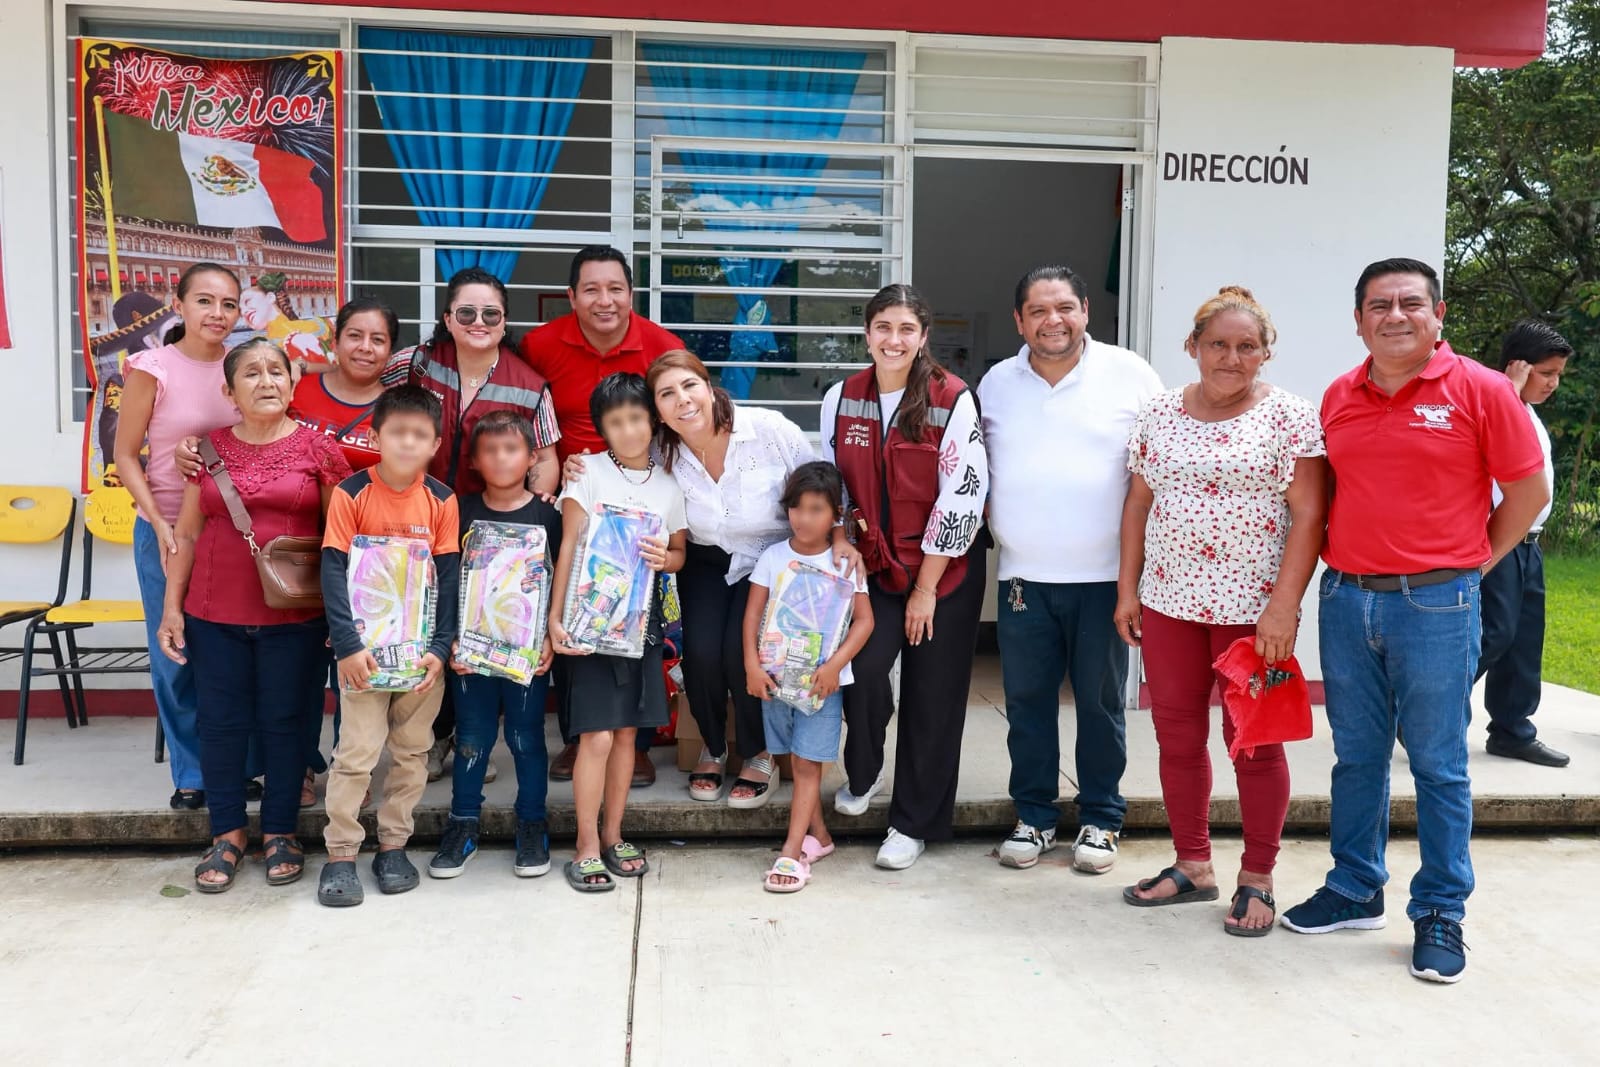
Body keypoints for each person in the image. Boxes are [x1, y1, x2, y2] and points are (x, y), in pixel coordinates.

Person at [1280, 258, 1547, 984]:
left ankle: (1439, 909)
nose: (1394, 315)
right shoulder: (1339, 395)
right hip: (1348, 596)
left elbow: (1527, 492)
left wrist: (1472, 564)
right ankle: (1354, 884)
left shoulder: (1484, 391)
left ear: (1439, 314)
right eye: (1378, 305)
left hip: (1437, 602)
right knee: (1357, 755)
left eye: (1409, 303)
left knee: (1437, 761)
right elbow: (1323, 497)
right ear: (1358, 318)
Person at [1115, 287, 1327, 935]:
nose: (1231, 358)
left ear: (1265, 353)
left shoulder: (1290, 416)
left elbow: (1310, 512)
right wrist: (1128, 588)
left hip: (1253, 614)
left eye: (1246, 346)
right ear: (1193, 347)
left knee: (1254, 744)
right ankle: (1193, 864)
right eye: (1218, 344)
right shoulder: (1158, 412)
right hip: (1170, 602)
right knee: (1177, 735)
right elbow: (1138, 503)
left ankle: (1257, 876)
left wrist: (1284, 606)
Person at [979, 265, 1163, 877]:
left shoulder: (1130, 373)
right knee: (1027, 702)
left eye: (1064, 307)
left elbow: (1157, 469)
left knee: (1101, 703)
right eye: (1037, 310)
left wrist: (1138, 580)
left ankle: (1102, 818)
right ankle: (1033, 815)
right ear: (1019, 320)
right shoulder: (997, 382)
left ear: (1085, 309)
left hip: (1107, 579)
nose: (1052, 320)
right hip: (1024, 577)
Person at [155, 339, 352, 893]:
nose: (266, 381)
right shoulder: (208, 451)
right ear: (229, 391)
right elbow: (188, 533)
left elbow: (342, 540)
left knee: (288, 721)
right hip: (213, 611)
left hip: (297, 615)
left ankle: (282, 831)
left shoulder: (320, 450)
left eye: (277, 372)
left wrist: (345, 616)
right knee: (219, 722)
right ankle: (227, 831)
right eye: (252, 374)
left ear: (293, 384)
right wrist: (173, 608)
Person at [820, 284, 990, 871]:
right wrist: (841, 534)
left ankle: (914, 823)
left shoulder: (951, 398)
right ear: (866, 334)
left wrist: (926, 589)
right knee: (863, 670)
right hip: (873, 567)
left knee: (933, 697)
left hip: (944, 572)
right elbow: (832, 482)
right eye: (883, 327)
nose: (894, 340)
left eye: (906, 330)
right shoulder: (843, 396)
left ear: (922, 338)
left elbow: (962, 497)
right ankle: (863, 772)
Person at [386, 267, 561, 782]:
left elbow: (546, 453)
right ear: (448, 318)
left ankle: (467, 734)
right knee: (427, 622)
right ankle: (430, 737)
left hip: (487, 523)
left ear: (505, 321)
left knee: (474, 619)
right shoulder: (418, 362)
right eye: (467, 312)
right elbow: (362, 399)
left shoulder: (529, 385)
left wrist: (538, 499)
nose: (479, 321)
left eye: (491, 313)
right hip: (414, 516)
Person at [520, 246, 686, 785]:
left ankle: (631, 740)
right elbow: (526, 415)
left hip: (643, 500)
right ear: (571, 297)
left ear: (631, 294)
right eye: (591, 289)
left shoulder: (662, 346)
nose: (604, 300)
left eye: (615, 288)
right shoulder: (541, 344)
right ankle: (579, 734)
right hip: (576, 494)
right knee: (574, 613)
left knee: (640, 617)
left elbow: (685, 412)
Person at [316, 385, 461, 907]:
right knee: (356, 752)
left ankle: (394, 844)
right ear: (375, 437)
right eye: (396, 433)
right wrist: (349, 646)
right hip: (364, 657)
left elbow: (448, 577)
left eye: (419, 435)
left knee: (412, 751)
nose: (407, 443)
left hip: (421, 661)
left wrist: (440, 650)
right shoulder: (352, 494)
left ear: (434, 443)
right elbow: (332, 571)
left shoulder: (442, 500)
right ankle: (341, 852)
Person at [549, 373, 688, 892]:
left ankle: (613, 833)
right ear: (602, 428)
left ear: (652, 421)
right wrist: (555, 618)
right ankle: (585, 843)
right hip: (588, 622)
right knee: (598, 735)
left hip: (639, 624)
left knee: (628, 733)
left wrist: (665, 556)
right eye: (615, 421)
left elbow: (678, 553)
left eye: (636, 418)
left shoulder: (669, 485)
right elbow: (567, 546)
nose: (627, 430)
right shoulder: (586, 472)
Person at [113, 262, 244, 810]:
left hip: (233, 533)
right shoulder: (152, 367)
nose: (218, 314)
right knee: (175, 652)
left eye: (229, 304)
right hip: (165, 530)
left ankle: (245, 766)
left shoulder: (246, 367)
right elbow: (124, 455)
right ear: (181, 304)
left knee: (238, 655)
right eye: (206, 301)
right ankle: (192, 773)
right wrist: (159, 522)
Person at [429, 412, 561, 881]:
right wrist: (449, 642)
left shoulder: (549, 515)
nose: (501, 457)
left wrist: (548, 633)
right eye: (490, 450)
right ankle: (463, 824)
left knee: (526, 738)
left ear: (530, 457)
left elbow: (559, 581)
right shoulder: (459, 510)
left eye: (511, 449)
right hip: (471, 655)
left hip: (528, 655)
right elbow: (442, 580)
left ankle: (532, 822)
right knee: (471, 740)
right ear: (475, 460)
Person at [742, 462, 873, 892]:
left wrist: (835, 666)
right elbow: (754, 614)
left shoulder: (846, 563)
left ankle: (791, 852)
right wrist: (751, 665)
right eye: (796, 508)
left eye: (816, 509)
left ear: (835, 514)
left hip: (821, 683)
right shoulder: (774, 557)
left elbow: (864, 621)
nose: (804, 517)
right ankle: (821, 837)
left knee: (808, 764)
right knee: (796, 762)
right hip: (776, 680)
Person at [1475, 321, 1573, 768]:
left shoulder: (1528, 412)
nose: (1552, 383)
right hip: (1500, 537)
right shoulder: (1495, 404)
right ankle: (1420, 714)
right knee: (1494, 632)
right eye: (1545, 373)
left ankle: (1513, 730)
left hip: (1530, 544)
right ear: (1518, 367)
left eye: (1557, 375)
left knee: (1523, 640)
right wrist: (1508, 392)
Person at [289, 297, 397, 471]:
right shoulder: (294, 389)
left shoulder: (396, 414)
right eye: (355, 336)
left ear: (390, 354)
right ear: (335, 344)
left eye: (377, 340)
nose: (365, 347)